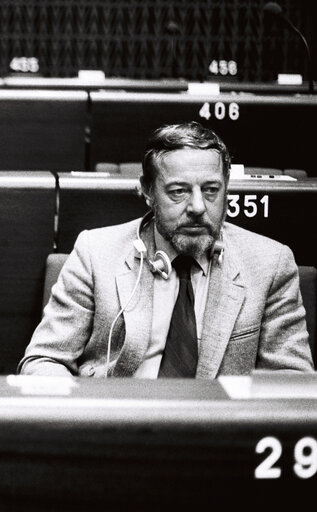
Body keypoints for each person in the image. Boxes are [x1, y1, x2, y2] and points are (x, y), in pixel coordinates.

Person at [19, 121, 313, 378]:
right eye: (178, 191)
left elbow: (290, 380)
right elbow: (44, 360)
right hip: (116, 425)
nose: (198, 207)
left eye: (211, 190)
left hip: (220, 432)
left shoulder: (270, 263)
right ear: (147, 191)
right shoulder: (96, 252)